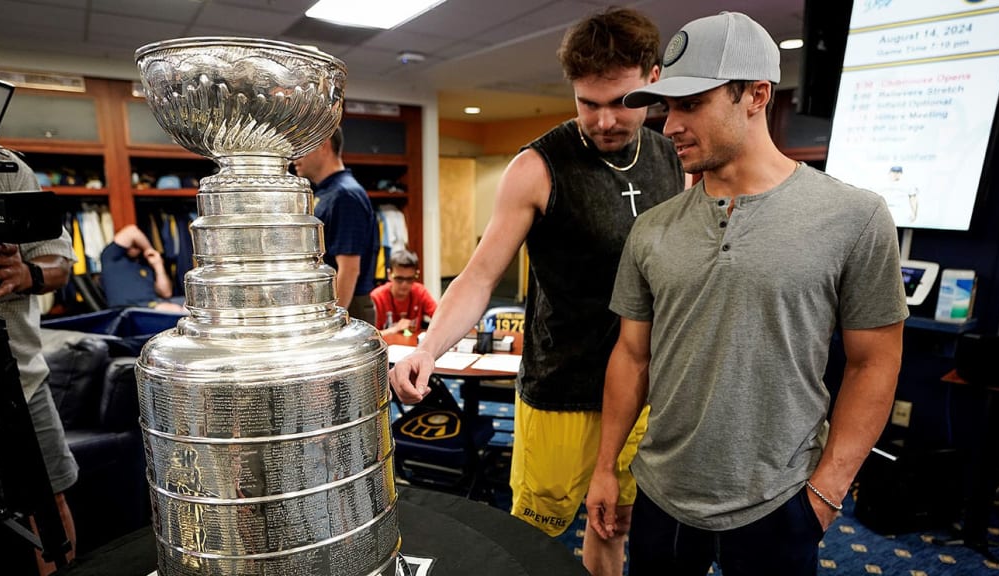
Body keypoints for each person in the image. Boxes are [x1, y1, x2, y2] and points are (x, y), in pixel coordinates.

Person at [585, 12, 908, 575]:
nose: (670, 125)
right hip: (663, 493)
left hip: (780, 501)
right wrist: (606, 465)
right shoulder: (653, 229)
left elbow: (874, 363)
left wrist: (827, 493)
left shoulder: (854, 217)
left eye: (691, 104)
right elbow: (632, 354)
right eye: (667, 106)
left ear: (756, 94)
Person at [389, 7, 684, 575]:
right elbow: (477, 276)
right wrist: (428, 348)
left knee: (613, 524)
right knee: (533, 538)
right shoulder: (538, 166)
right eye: (587, 103)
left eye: (621, 101)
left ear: (653, 78)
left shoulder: (673, 156)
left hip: (645, 384)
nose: (603, 121)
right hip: (561, 390)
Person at [0, 145, 79, 575]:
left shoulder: (7, 167)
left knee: (50, 501)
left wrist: (26, 274)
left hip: (21, 374)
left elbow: (60, 263)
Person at [293, 126, 379, 324]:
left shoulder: (345, 195)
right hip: (330, 303)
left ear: (323, 145)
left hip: (348, 306)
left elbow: (349, 269)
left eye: (301, 148)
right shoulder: (327, 193)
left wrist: (332, 320)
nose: (295, 158)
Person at [99, 224, 185, 312]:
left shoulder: (145, 264)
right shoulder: (110, 257)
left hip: (153, 304)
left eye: (137, 245)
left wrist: (158, 265)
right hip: (129, 308)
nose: (134, 246)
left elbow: (166, 293)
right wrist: (149, 249)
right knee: (175, 310)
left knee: (193, 304)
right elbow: (132, 231)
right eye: (133, 243)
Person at [370, 249, 436, 337]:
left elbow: (440, 317)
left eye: (410, 279)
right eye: (399, 279)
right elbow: (369, 337)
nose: (404, 284)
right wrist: (394, 329)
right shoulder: (377, 297)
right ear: (389, 274)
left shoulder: (420, 292)